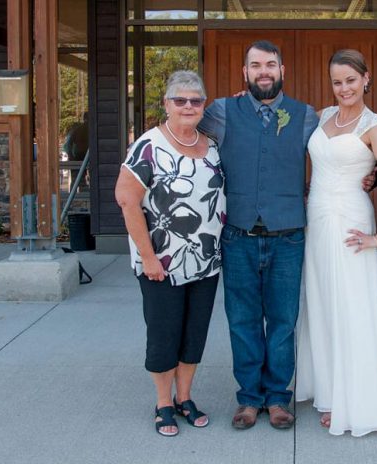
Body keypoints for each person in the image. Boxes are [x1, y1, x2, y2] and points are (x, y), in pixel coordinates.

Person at [198, 40, 320, 430]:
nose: (263, 71)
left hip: (288, 235)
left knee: (284, 320)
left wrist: (370, 177)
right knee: (243, 320)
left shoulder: (305, 117)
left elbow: (335, 156)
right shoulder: (220, 112)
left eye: (270, 64)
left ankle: (278, 398)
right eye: (255, 65)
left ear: (282, 70)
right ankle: (249, 398)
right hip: (238, 234)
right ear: (245, 73)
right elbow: (184, 134)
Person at [295, 49, 377, 437]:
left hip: (350, 225)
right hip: (317, 221)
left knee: (351, 307)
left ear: (366, 79)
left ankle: (355, 401)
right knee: (323, 305)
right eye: (337, 81)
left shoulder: (374, 126)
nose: (344, 88)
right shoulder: (325, 116)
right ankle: (328, 390)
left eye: (350, 80)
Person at [115, 71, 226, 437]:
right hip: (160, 264)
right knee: (164, 335)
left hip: (205, 261)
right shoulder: (149, 145)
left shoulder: (210, 145)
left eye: (196, 100)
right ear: (166, 104)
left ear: (203, 106)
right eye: (180, 100)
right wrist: (148, 257)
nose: (188, 106)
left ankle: (185, 396)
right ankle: (163, 402)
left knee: (194, 336)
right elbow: (127, 200)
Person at [63, 112, 89, 189]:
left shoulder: (78, 129)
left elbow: (67, 146)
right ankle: (82, 197)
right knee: (80, 179)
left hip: (77, 156)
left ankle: (76, 197)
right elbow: (68, 145)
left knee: (76, 179)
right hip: (83, 156)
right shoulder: (86, 129)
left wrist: (71, 157)